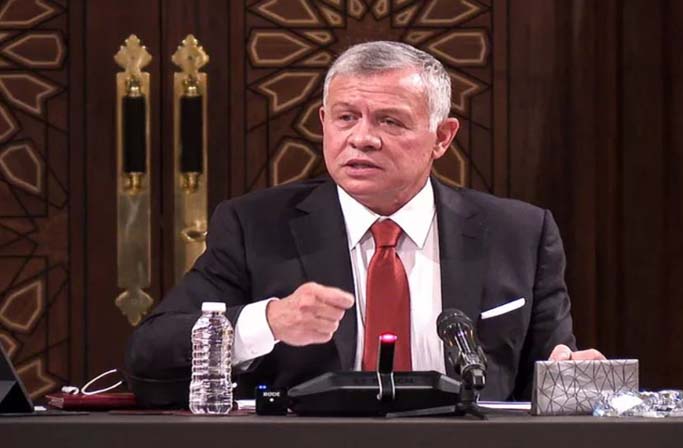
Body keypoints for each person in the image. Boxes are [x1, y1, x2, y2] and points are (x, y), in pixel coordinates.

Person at [125, 41, 603, 406]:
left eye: (390, 121)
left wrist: (575, 375)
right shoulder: (256, 226)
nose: (362, 138)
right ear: (323, 122)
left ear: (442, 137)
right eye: (346, 117)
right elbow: (148, 357)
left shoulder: (519, 234)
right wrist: (266, 322)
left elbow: (552, 373)